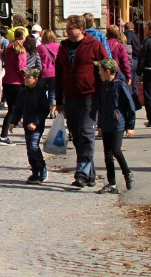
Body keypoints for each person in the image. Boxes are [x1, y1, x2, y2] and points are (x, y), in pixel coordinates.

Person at [56, 14, 108, 188]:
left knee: (86, 133)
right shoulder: (63, 47)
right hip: (70, 97)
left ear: (81, 29)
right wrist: (58, 99)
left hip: (89, 96)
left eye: (71, 28)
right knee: (77, 135)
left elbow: (107, 66)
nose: (68, 31)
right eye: (67, 28)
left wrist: (106, 92)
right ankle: (90, 174)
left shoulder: (94, 45)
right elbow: (59, 73)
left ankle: (81, 172)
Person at [93, 58, 136, 194]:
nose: (98, 72)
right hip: (106, 124)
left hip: (118, 123)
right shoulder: (103, 86)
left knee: (116, 150)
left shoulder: (120, 85)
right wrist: (99, 125)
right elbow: (100, 107)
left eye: (100, 70)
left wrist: (130, 126)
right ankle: (112, 183)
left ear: (108, 71)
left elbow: (130, 106)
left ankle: (127, 173)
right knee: (107, 154)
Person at [8, 68, 51, 184]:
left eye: (28, 77)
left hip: (36, 125)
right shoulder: (24, 92)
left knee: (33, 146)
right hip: (27, 124)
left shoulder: (41, 93)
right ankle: (35, 171)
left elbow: (44, 110)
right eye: (25, 77)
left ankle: (42, 168)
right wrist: (13, 121)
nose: (25, 79)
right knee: (29, 149)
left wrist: (36, 122)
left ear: (36, 79)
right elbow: (18, 108)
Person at [0, 27, 30, 144]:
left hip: (7, 81)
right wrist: (28, 77)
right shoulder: (21, 50)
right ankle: (30, 135)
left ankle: (3, 135)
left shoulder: (9, 47)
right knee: (24, 109)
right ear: (24, 37)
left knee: (11, 110)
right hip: (18, 83)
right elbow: (21, 68)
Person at [37, 29, 60, 116]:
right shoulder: (58, 46)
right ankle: (52, 111)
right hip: (55, 72)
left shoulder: (40, 47)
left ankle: (42, 109)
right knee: (53, 92)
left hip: (43, 72)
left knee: (41, 91)